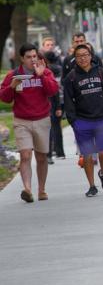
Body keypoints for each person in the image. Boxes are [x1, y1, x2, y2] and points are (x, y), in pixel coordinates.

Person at [0, 43, 59, 202]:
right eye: (28, 57)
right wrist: (12, 86)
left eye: (34, 56)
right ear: (21, 59)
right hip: (22, 121)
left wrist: (42, 76)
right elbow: (4, 98)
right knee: (25, 155)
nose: (32, 60)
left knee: (41, 157)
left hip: (42, 119)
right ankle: (27, 189)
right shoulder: (14, 75)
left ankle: (42, 189)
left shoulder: (44, 72)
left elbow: (53, 90)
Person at [64, 44, 103, 197]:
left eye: (85, 54)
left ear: (91, 56)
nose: (83, 58)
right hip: (83, 121)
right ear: (76, 58)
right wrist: (73, 121)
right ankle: (92, 185)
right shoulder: (72, 77)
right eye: (79, 55)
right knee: (87, 155)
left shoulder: (101, 72)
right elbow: (68, 101)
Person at [42, 38, 66, 162]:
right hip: (44, 100)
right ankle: (49, 152)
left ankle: (58, 151)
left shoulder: (58, 61)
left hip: (57, 97)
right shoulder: (39, 61)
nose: (50, 46)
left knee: (55, 125)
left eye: (52, 44)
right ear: (43, 46)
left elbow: (59, 83)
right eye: (48, 45)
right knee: (48, 126)